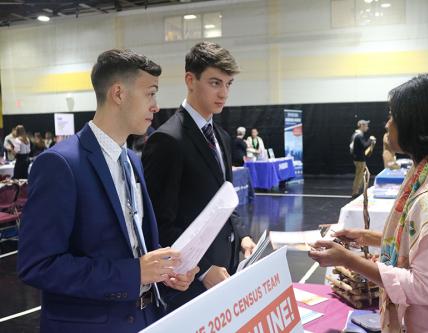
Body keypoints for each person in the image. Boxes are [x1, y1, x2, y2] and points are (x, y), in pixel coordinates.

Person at [17, 49, 199, 333]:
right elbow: (38, 264)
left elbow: (134, 243)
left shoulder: (133, 161)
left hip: (147, 318)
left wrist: (164, 272)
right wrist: (133, 272)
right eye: (150, 93)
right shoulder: (59, 164)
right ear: (118, 94)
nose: (156, 106)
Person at [309, 73, 428, 333]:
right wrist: (366, 236)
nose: (387, 124)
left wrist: (349, 261)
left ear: (417, 124)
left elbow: (425, 287)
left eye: (392, 116)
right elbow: (422, 241)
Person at [142, 41, 256, 311]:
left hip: (226, 268)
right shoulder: (167, 140)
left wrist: (243, 237)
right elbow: (159, 224)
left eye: (229, 84)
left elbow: (226, 200)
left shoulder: (222, 137)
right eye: (215, 83)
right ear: (190, 80)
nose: (224, 93)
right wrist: (203, 270)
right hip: (188, 282)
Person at [350, 119, 376, 198]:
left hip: (358, 158)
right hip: (359, 159)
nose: (367, 127)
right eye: (366, 125)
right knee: (359, 175)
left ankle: (356, 191)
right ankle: (355, 192)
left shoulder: (356, 135)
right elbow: (364, 146)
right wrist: (370, 140)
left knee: (360, 175)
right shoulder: (359, 136)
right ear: (361, 126)